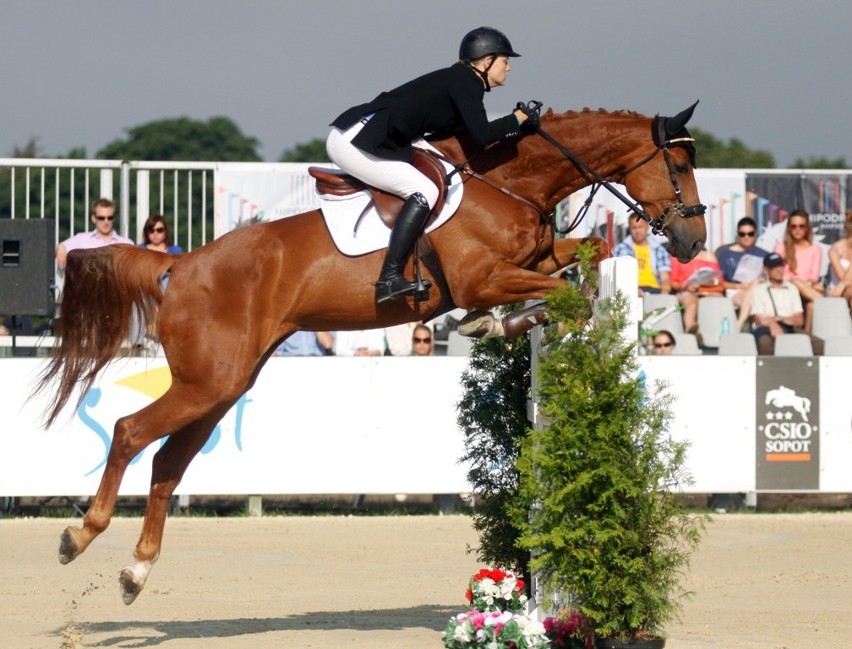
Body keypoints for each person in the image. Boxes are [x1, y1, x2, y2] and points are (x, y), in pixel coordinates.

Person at [326, 26, 535, 304]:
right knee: (425, 190)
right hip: (356, 139)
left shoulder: (461, 81)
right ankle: (389, 277)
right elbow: (483, 134)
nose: (508, 68)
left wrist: (519, 126)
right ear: (487, 61)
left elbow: (469, 139)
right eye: (505, 61)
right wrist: (518, 119)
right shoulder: (465, 81)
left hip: (368, 134)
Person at [750, 252, 822, 355]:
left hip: (789, 327)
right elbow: (759, 319)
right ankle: (768, 370)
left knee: (819, 344)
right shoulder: (759, 289)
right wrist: (773, 324)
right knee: (764, 343)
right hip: (766, 329)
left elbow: (799, 320)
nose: (780, 270)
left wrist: (780, 319)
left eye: (781, 266)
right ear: (766, 270)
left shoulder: (791, 288)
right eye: (774, 267)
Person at [772, 210, 824, 332]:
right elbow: (776, 273)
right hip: (785, 287)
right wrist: (795, 280)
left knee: (811, 305)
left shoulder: (815, 249)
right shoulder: (781, 247)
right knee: (796, 281)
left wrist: (806, 284)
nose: (797, 230)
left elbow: (814, 276)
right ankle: (826, 304)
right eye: (794, 226)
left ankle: (806, 337)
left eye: (801, 226)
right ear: (789, 228)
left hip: (805, 287)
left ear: (807, 228)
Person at [715, 216, 769, 327]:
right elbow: (719, 282)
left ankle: (742, 327)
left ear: (756, 233)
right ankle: (743, 327)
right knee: (750, 300)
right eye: (742, 234)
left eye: (750, 234)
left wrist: (756, 283)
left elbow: (769, 278)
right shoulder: (724, 255)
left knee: (756, 293)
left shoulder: (764, 254)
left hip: (758, 290)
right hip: (734, 291)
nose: (746, 237)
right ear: (737, 233)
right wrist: (740, 287)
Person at [56, 198, 133, 269]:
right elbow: (58, 247)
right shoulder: (81, 239)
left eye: (110, 218)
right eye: (101, 218)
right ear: (93, 218)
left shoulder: (126, 243)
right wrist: (61, 248)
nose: (106, 222)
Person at [613, 212, 671, 295]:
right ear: (629, 229)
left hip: (655, 291)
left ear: (647, 227)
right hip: (631, 290)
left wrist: (664, 292)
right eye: (634, 228)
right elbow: (620, 276)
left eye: (640, 227)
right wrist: (633, 290)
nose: (637, 231)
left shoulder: (659, 249)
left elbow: (665, 278)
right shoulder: (621, 249)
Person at [669, 247, 723, 334]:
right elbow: (673, 283)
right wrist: (685, 286)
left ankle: (715, 332)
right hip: (686, 291)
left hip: (708, 290)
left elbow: (719, 281)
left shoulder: (710, 257)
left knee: (717, 300)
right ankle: (690, 328)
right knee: (691, 303)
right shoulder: (676, 256)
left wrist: (708, 283)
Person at [827, 209, 852, 307]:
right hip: (837, 291)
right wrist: (843, 284)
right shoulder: (835, 250)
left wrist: (844, 284)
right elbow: (842, 278)